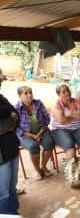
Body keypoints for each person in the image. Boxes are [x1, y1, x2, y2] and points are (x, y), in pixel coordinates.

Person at [15, 86, 54, 180]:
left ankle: (43, 166)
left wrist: (39, 133)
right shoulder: (16, 108)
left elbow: (47, 119)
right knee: (33, 146)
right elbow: (16, 127)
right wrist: (32, 135)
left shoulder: (38, 104)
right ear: (20, 96)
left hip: (41, 130)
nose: (29, 95)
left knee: (49, 142)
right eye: (26, 93)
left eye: (30, 92)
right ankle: (37, 170)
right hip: (25, 134)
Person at [51, 84, 80, 159]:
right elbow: (61, 120)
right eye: (63, 92)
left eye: (68, 91)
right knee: (71, 150)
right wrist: (77, 114)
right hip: (61, 130)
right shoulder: (57, 105)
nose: (67, 93)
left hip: (77, 128)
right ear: (59, 95)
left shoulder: (76, 101)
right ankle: (72, 170)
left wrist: (70, 114)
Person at [0, 70, 20, 214]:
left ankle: (14, 212)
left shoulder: (1, 98)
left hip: (11, 145)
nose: (2, 78)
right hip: (1, 154)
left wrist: (8, 120)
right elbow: (11, 115)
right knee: (3, 191)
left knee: (12, 185)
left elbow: (16, 116)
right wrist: (9, 116)